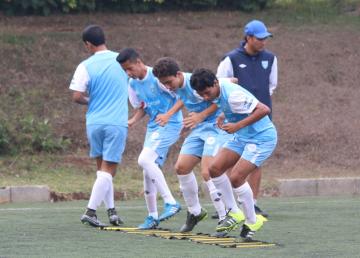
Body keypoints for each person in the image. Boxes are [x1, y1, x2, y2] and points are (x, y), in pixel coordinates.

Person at [153, 57, 244, 234]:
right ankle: (195, 212)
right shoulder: (178, 86)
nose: (168, 87)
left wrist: (201, 115)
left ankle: (226, 216)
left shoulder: (195, 82)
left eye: (169, 82)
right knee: (181, 167)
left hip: (216, 127)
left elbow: (229, 83)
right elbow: (183, 97)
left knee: (208, 170)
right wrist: (174, 116)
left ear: (179, 75)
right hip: (199, 128)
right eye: (164, 84)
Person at [190, 68, 277, 240]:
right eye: (202, 95)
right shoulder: (221, 83)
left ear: (215, 83)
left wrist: (237, 125)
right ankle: (235, 213)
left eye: (207, 93)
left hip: (261, 138)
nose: (207, 98)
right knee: (214, 169)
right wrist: (224, 113)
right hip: (242, 136)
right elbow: (234, 80)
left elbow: (264, 109)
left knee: (236, 177)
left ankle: (252, 220)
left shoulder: (233, 96)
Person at [216, 19, 278, 218]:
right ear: (248, 37)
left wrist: (256, 107)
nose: (263, 42)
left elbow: (271, 86)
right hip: (235, 118)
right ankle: (231, 205)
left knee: (255, 162)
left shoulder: (270, 58)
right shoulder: (231, 59)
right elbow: (220, 84)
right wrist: (228, 112)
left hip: (262, 114)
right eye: (260, 38)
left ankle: (253, 203)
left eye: (265, 38)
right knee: (230, 161)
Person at [116, 48, 182, 229]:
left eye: (130, 68)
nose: (128, 73)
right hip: (154, 128)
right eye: (125, 71)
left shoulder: (159, 76)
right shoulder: (133, 84)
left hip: (170, 125)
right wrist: (132, 121)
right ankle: (152, 216)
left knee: (144, 160)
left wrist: (168, 115)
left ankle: (171, 202)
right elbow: (143, 107)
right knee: (147, 170)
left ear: (139, 62)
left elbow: (182, 97)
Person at [69, 25, 128, 227]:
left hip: (94, 122)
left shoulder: (84, 65)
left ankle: (111, 211)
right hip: (116, 122)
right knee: (109, 169)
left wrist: (91, 101)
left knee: (102, 170)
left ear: (88, 44)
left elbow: (77, 96)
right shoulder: (122, 60)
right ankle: (90, 211)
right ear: (104, 39)